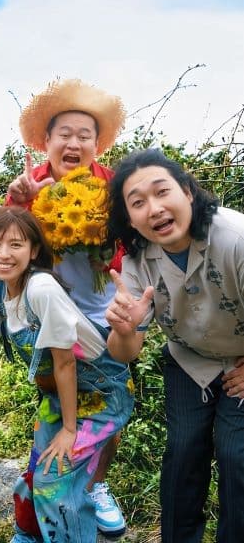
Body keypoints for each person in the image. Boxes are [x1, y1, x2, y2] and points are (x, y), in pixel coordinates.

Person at [0, 207, 134, 542]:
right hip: (59, 394)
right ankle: (29, 535)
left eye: (15, 244)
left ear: (34, 251)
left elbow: (65, 362)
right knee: (38, 472)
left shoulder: (42, 288)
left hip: (102, 393)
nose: (4, 254)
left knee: (54, 480)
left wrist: (68, 430)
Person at [5, 77, 128, 537]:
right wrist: (19, 204)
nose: (74, 144)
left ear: (97, 144)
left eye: (85, 136)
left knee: (109, 410)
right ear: (47, 140)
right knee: (55, 406)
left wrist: (109, 256)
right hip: (50, 320)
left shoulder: (113, 185)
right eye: (65, 134)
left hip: (105, 317)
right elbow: (8, 245)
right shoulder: (28, 184)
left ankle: (95, 484)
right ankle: (48, 490)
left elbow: (135, 242)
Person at [105, 148, 244, 543]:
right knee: (183, 454)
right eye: (137, 202)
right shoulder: (137, 262)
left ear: (187, 191)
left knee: (237, 456)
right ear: (129, 218)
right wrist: (125, 329)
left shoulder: (235, 238)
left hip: (241, 360)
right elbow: (125, 352)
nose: (154, 209)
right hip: (189, 360)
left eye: (162, 191)